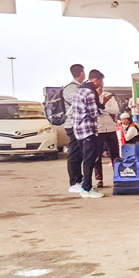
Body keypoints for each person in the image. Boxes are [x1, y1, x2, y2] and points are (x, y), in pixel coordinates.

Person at [71, 70, 106, 198]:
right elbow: (93, 113)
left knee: (85, 159)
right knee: (89, 161)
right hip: (88, 131)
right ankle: (87, 189)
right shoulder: (90, 93)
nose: (101, 84)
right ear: (95, 80)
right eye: (100, 81)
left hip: (79, 131)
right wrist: (102, 108)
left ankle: (86, 186)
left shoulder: (78, 92)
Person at [93, 86, 121, 188]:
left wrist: (103, 109)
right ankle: (99, 179)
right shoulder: (92, 97)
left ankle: (117, 177)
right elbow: (94, 111)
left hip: (110, 128)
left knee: (115, 154)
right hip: (98, 129)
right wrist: (107, 111)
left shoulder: (109, 96)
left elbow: (116, 110)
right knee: (97, 156)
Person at [63, 64, 85, 193]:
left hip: (78, 124)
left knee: (80, 153)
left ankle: (79, 180)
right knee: (74, 154)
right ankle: (74, 182)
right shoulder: (71, 88)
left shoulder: (78, 87)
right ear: (81, 73)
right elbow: (79, 102)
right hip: (72, 125)